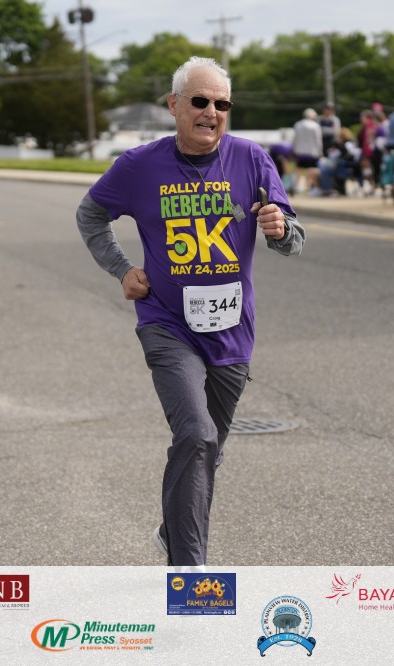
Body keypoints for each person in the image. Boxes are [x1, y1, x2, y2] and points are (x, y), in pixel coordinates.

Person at [75, 56, 305, 572]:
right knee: (196, 435)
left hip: (232, 330)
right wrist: (121, 268)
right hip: (166, 324)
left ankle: (171, 531)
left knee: (208, 449)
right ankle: (189, 570)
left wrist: (280, 229)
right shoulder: (139, 165)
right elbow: (90, 214)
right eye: (200, 101)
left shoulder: (252, 160)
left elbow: (292, 240)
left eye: (222, 104)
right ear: (174, 105)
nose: (211, 112)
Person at [291, 107, 323, 194]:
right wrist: (320, 152)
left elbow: (295, 139)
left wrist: (294, 150)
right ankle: (311, 188)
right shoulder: (315, 126)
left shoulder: (298, 125)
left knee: (298, 170)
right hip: (312, 152)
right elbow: (318, 141)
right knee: (311, 170)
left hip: (300, 151)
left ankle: (296, 187)